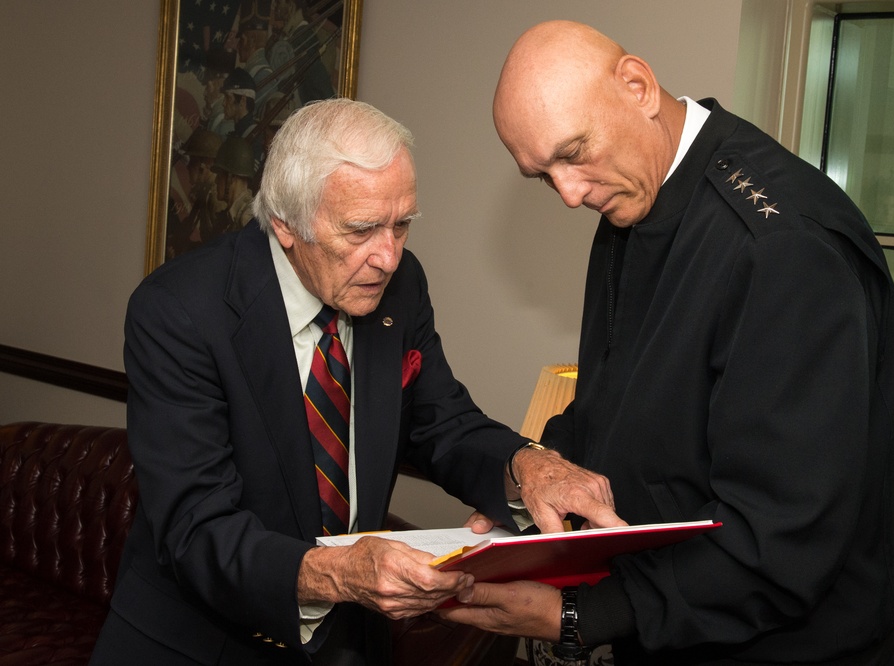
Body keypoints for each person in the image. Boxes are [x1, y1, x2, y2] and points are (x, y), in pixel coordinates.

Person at [440, 20, 894, 666]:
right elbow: (620, 402)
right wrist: (537, 507)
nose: (570, 194)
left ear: (637, 86)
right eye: (542, 176)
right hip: (675, 628)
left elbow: (779, 540)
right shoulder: (633, 192)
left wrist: (580, 614)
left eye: (573, 153)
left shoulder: (780, 248)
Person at [90, 98, 620, 665]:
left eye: (402, 225)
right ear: (285, 224)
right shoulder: (179, 312)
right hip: (199, 644)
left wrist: (526, 466)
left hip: (345, 644)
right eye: (362, 229)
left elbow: (441, 420)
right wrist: (342, 573)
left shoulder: (399, 286)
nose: (388, 258)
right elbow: (196, 531)